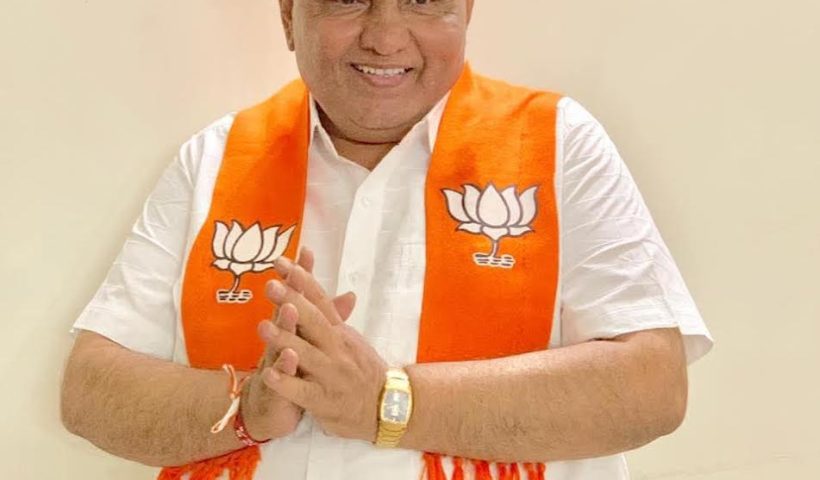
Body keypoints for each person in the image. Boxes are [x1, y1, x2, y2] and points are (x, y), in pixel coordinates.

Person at [60, 1, 713, 479]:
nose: (385, 36)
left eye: (422, 1)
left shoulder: (558, 143)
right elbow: (91, 389)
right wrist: (248, 406)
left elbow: (651, 387)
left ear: (466, 12)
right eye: (349, 0)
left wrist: (386, 401)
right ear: (288, 15)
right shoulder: (214, 159)